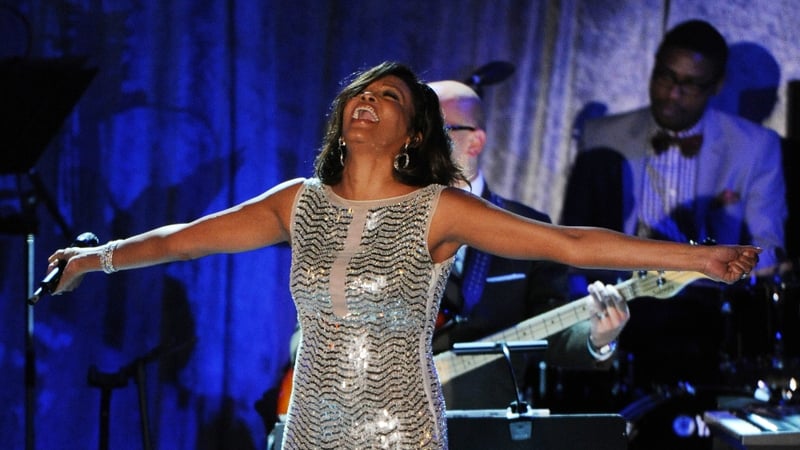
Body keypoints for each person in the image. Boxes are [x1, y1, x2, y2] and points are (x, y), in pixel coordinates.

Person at [47, 61, 759, 449]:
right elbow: (183, 238)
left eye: (386, 97)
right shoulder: (299, 201)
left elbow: (569, 243)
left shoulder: (438, 210)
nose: (365, 101)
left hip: (400, 430)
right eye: (359, 93)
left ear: (413, 132)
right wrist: (95, 259)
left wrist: (693, 260)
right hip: (312, 430)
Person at [560, 20, 786, 391]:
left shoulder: (756, 146)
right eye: (664, 77)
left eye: (690, 85)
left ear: (717, 86)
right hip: (624, 302)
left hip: (707, 314)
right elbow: (575, 237)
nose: (671, 94)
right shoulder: (603, 135)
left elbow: (769, 246)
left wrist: (729, 264)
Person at [428, 80, 629, 411]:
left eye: (436, 129)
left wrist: (598, 339)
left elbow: (549, 329)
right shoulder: (391, 220)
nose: (420, 142)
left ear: (475, 141)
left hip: (487, 424)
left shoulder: (528, 226)